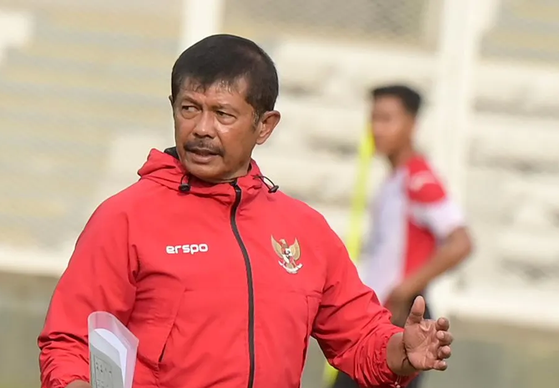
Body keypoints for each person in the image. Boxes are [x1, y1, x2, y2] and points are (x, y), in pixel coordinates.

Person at [38, 35, 455, 388]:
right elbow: (69, 341)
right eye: (189, 108)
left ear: (265, 126)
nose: (201, 128)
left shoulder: (303, 230)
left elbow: (360, 337)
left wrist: (402, 349)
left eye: (222, 114)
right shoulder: (125, 217)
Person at [332, 85, 473, 388]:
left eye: (387, 119)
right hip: (379, 318)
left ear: (411, 123)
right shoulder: (393, 181)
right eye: (373, 119)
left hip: (400, 318)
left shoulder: (418, 178)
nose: (377, 129)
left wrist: (404, 290)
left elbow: (461, 242)